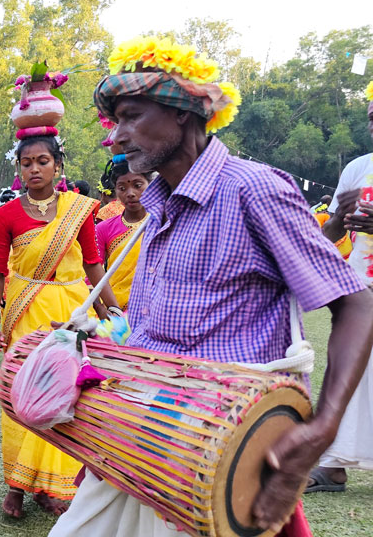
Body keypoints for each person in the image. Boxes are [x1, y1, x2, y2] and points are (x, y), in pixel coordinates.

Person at [47, 36, 373, 537]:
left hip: (217, 448)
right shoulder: (157, 205)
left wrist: (322, 428)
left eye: (132, 115)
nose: (116, 136)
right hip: (140, 437)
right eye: (115, 121)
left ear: (183, 112)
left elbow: (357, 305)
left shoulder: (254, 189)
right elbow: (168, 326)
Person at [0, 135, 121, 518]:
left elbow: (94, 263)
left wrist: (112, 308)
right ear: (18, 169)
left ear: (57, 165)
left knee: (69, 396)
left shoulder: (78, 210)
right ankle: (16, 486)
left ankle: (54, 484)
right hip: (27, 311)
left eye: (42, 161)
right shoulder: (7, 215)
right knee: (23, 395)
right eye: (27, 163)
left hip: (72, 311)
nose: (34, 169)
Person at [309, 82, 373, 493]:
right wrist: (340, 219)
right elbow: (330, 231)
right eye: (371, 115)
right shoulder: (358, 167)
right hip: (361, 284)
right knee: (350, 368)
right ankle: (333, 465)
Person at [94, 154, 151, 309]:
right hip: (115, 309)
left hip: (155, 308)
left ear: (150, 184)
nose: (130, 193)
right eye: (122, 188)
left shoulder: (162, 223)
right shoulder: (103, 228)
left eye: (138, 185)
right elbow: (93, 273)